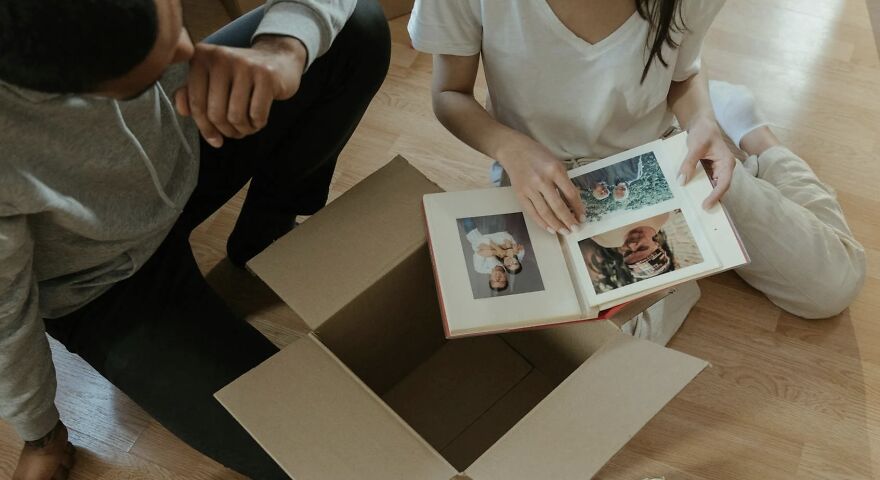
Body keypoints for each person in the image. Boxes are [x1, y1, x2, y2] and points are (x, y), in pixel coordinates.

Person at [0, 0, 390, 479]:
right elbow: (5, 317)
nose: (188, 50)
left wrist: (283, 46)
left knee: (358, 26)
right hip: (101, 285)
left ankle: (264, 232)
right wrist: (40, 432)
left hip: (189, 138)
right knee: (328, 452)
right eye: (144, 79)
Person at [409, 0, 865, 342]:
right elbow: (450, 93)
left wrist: (702, 121)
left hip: (666, 153)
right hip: (545, 176)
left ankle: (754, 134)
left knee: (832, 286)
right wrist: (508, 145)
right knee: (598, 351)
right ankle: (683, 272)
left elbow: (684, 72)